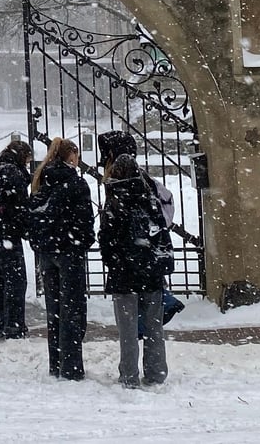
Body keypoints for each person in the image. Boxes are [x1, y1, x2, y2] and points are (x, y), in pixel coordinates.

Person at [99, 153, 174, 388]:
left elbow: (106, 238)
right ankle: (156, 371)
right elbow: (163, 226)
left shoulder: (114, 198)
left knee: (128, 330)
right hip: (150, 271)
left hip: (124, 273)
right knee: (154, 327)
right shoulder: (149, 194)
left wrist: (113, 260)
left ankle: (129, 374)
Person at [96, 130, 186, 326]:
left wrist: (114, 256)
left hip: (129, 266)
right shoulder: (143, 184)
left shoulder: (124, 185)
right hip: (146, 265)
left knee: (131, 328)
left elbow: (113, 231)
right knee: (152, 328)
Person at [27, 137, 96, 380]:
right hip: (69, 251)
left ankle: (56, 363)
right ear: (70, 156)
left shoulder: (41, 180)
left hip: (47, 252)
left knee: (54, 309)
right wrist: (82, 241)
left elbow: (33, 216)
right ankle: (72, 366)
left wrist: (42, 242)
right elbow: (85, 219)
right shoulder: (75, 184)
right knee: (73, 309)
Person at [0, 140, 32, 340]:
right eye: (27, 160)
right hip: (8, 235)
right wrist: (26, 229)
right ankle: (14, 326)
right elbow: (20, 207)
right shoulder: (14, 174)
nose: (28, 164)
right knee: (15, 282)